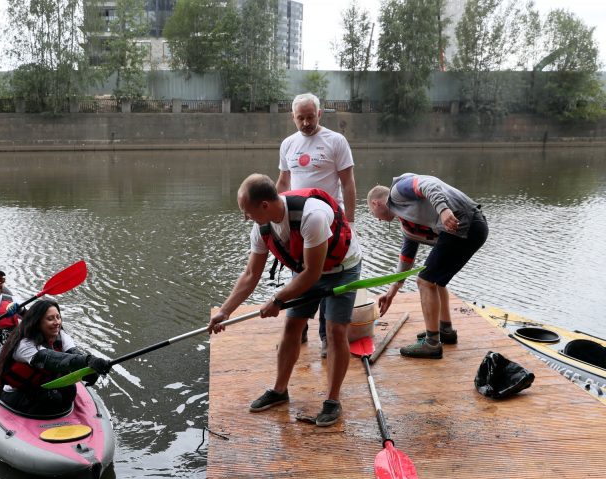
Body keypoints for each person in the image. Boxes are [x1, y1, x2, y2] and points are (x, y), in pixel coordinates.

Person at [208, 173, 362, 427]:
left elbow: (314, 273)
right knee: (292, 326)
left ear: (264, 205)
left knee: (335, 331)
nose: (245, 217)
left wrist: (278, 299)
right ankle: (280, 390)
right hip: (306, 270)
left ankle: (333, 400)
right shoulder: (261, 226)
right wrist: (225, 312)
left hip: (340, 269)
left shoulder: (312, 216)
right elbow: (250, 274)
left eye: (247, 211)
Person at [367, 173, 488, 359]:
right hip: (469, 229)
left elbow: (429, 184)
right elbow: (406, 258)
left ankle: (432, 343)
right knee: (435, 281)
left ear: (375, 203)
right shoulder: (407, 222)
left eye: (372, 213)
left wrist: (443, 210)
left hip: (465, 223)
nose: (377, 219)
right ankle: (445, 331)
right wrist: (392, 290)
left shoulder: (398, 191)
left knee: (425, 281)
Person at [277, 93, 357, 358]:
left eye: (310, 117)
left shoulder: (336, 141)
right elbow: (283, 182)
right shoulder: (288, 144)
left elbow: (348, 183)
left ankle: (326, 337)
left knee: (327, 276)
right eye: (300, 117)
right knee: (299, 269)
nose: (306, 122)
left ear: (319, 114)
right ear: (293, 117)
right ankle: (297, 329)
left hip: (331, 220)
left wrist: (352, 222)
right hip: (298, 221)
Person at [0, 299, 111, 415]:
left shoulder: (61, 336)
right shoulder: (24, 344)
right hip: (17, 393)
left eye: (58, 317)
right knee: (51, 398)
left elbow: (74, 355)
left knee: (70, 390)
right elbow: (50, 359)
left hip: (42, 386)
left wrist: (90, 370)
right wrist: (88, 360)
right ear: (37, 322)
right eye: (50, 319)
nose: (57, 322)